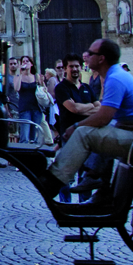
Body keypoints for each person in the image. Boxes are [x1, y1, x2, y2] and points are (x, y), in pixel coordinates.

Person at [45, 39, 133, 207]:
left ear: (102, 58)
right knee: (97, 130)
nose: (87, 56)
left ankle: (55, 180)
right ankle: (99, 181)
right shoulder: (115, 76)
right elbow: (100, 112)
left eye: (91, 53)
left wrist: (76, 126)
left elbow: (103, 116)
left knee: (83, 134)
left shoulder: (115, 79)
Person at [52, 56, 96, 201]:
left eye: (77, 66)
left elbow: (99, 108)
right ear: (65, 69)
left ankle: (85, 203)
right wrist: (90, 107)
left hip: (87, 134)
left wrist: (82, 108)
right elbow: (73, 108)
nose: (75, 69)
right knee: (66, 173)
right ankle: (66, 204)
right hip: (69, 135)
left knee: (86, 173)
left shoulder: (87, 87)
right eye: (71, 66)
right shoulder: (61, 88)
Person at [13, 55, 44, 146]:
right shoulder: (18, 76)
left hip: (36, 108)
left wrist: (42, 83)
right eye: (23, 61)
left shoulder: (36, 76)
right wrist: (20, 73)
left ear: (31, 64)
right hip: (24, 108)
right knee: (24, 135)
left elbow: (42, 90)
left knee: (34, 136)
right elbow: (17, 88)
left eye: (27, 61)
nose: (25, 63)